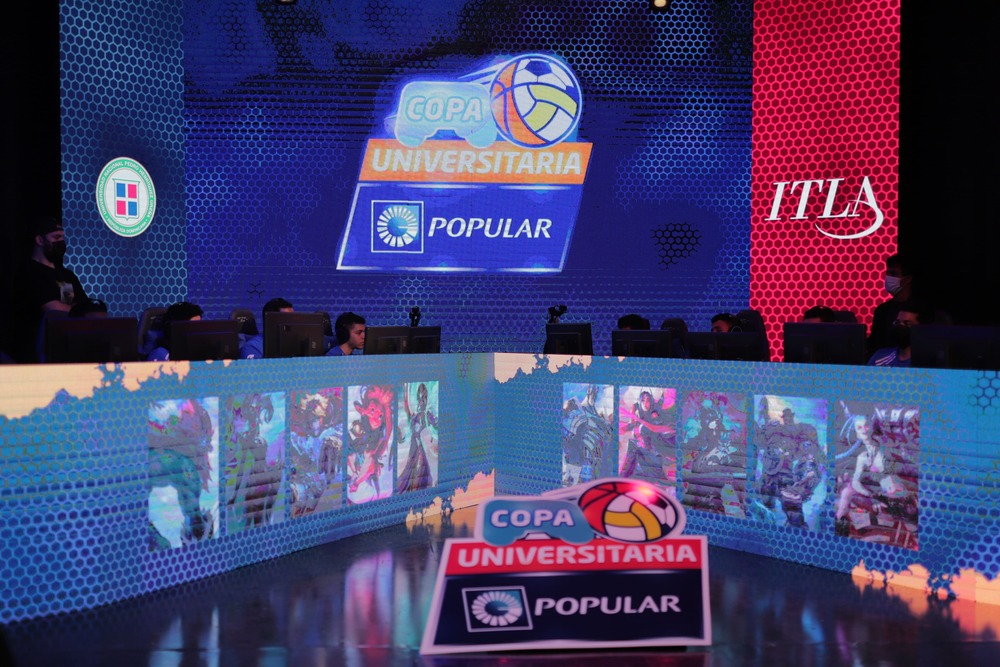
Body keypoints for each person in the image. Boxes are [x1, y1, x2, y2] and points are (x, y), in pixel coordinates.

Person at [12, 215, 90, 362]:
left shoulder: (67, 275)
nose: (61, 242)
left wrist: (80, 311)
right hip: (35, 356)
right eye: (56, 237)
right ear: (39, 240)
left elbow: (84, 307)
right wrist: (78, 311)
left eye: (62, 237)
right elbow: (53, 309)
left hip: (66, 352)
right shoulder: (28, 272)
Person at [868, 254, 914, 356]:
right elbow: (874, 344)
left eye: (893, 274)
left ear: (907, 279)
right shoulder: (882, 310)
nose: (889, 278)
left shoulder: (919, 310)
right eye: (887, 274)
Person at [867, 300, 928, 368]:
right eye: (897, 323)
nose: (901, 326)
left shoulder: (928, 363)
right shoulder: (879, 357)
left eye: (907, 324)